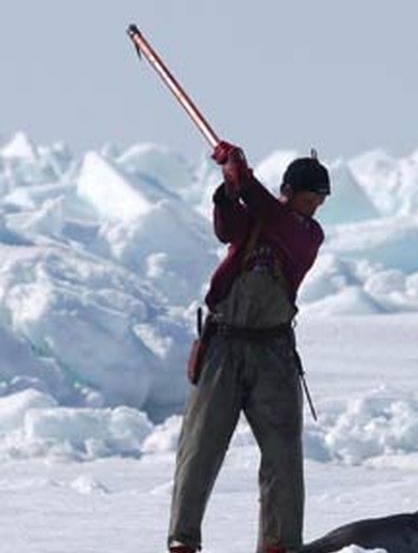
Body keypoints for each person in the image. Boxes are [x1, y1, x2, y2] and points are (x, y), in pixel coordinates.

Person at [167, 141, 330, 553]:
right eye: (310, 197)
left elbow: (272, 216)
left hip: (273, 352)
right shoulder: (260, 217)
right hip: (223, 343)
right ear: (289, 192)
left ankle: (279, 544)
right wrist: (229, 188)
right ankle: (183, 540)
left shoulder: (306, 234)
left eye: (320, 200)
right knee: (199, 448)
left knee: (283, 455)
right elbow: (228, 228)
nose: (315, 206)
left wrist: (243, 176)